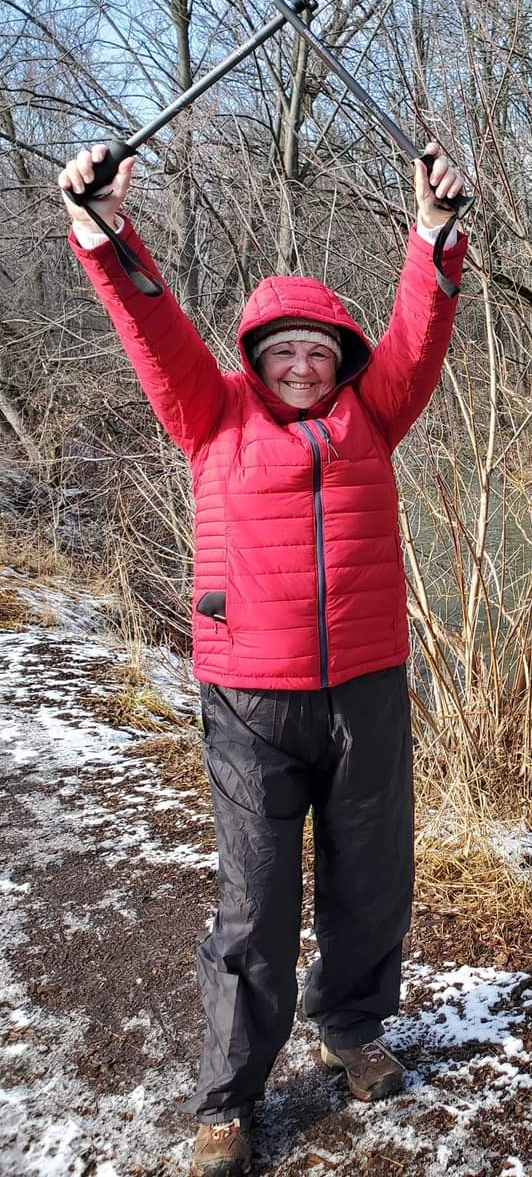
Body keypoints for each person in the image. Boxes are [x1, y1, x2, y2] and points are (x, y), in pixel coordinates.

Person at [59, 142, 468, 1177]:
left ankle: (353, 1030)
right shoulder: (212, 414)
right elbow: (153, 329)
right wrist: (105, 231)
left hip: (366, 689)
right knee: (254, 902)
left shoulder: (375, 419)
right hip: (250, 700)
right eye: (282, 351)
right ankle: (230, 1097)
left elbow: (420, 335)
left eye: (318, 353)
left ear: (341, 359)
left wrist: (430, 235)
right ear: (255, 354)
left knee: (371, 881)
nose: (300, 367)